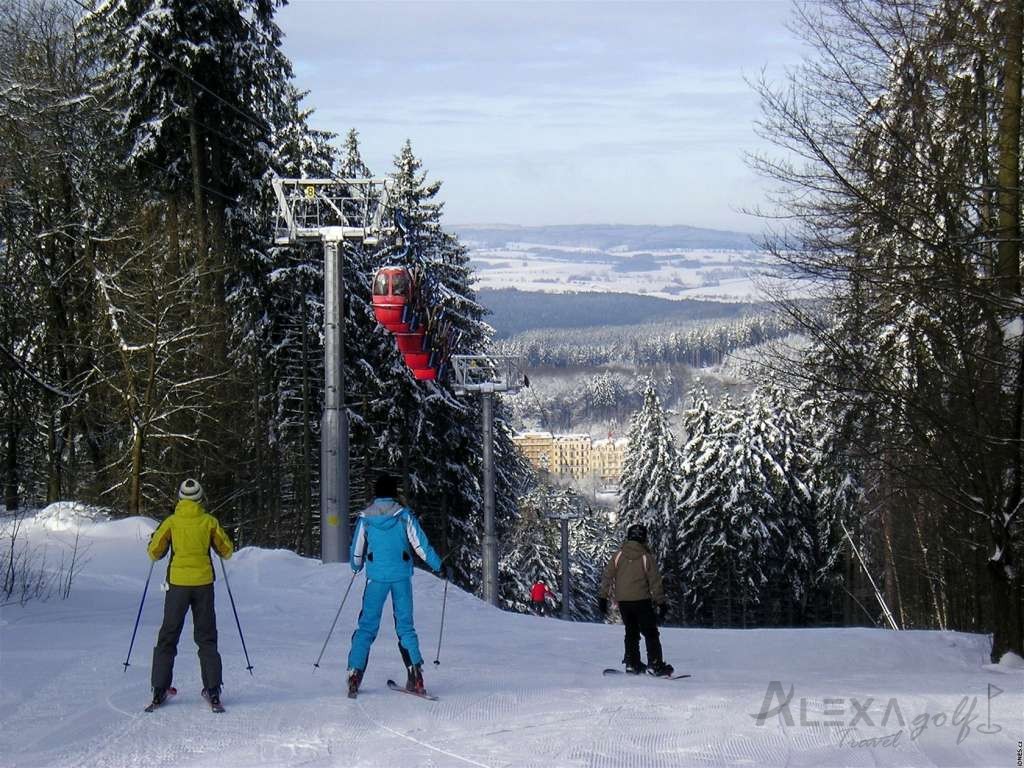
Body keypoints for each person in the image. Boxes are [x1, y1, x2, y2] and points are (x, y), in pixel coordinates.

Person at [346, 474, 443, 697]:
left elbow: (357, 550)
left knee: (367, 626)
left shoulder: (366, 518)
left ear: (376, 493)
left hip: (376, 578)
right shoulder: (403, 516)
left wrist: (356, 566)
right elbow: (420, 545)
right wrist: (438, 566)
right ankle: (416, 674)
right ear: (393, 492)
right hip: (401, 576)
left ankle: (354, 673)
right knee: (405, 626)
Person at [147, 478, 234, 711]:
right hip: (204, 584)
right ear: (200, 498)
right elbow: (226, 551)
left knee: (168, 634)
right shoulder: (209, 522)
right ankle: (213, 689)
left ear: (180, 498)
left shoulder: (171, 522)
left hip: (177, 585)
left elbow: (154, 553)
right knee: (206, 636)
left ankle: (159, 688)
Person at [597, 523, 673, 677]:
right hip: (642, 600)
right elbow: (655, 582)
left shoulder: (618, 555)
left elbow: (607, 577)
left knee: (631, 632)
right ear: (643, 538)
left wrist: (603, 598)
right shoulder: (646, 557)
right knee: (650, 632)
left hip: (624, 602)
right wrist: (661, 602)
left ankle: (632, 663)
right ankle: (655, 665)